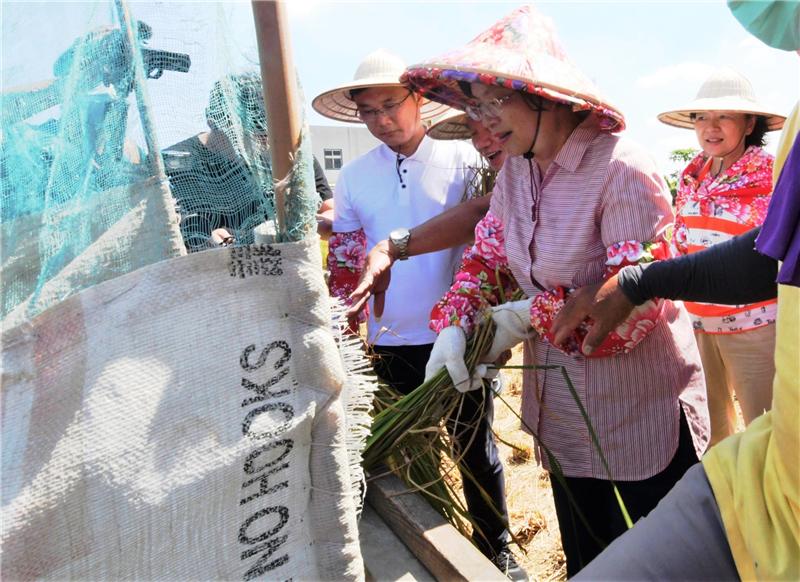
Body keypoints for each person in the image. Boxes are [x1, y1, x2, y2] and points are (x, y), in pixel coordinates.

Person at [398, 6, 710, 576]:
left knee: (668, 561)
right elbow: (488, 254)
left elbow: (630, 313)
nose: (485, 123)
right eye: (475, 105)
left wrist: (523, 317)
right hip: (565, 415)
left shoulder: (623, 170)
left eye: (495, 101)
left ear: (544, 96)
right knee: (590, 557)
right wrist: (457, 319)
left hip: (638, 412)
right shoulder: (516, 174)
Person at [311, 50, 525, 579]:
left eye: (391, 105)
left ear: (418, 101)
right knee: (405, 454)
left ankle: (496, 546)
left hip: (457, 332)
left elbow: (488, 225)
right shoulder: (356, 177)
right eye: (369, 112)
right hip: (387, 337)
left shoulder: (468, 157)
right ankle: (429, 537)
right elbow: (348, 257)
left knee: (475, 447)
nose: (382, 120)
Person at [657, 68, 786, 445]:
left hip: (754, 325)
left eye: (724, 116)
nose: (710, 127)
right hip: (697, 324)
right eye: (701, 117)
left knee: (768, 428)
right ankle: (723, 501)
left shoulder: (770, 173)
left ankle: (774, 503)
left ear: (749, 124)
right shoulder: (691, 175)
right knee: (712, 433)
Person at [163, 72, 332, 251]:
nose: (265, 142)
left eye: (268, 131)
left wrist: (299, 225)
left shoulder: (291, 159)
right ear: (216, 120)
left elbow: (331, 212)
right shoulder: (173, 164)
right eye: (256, 130)